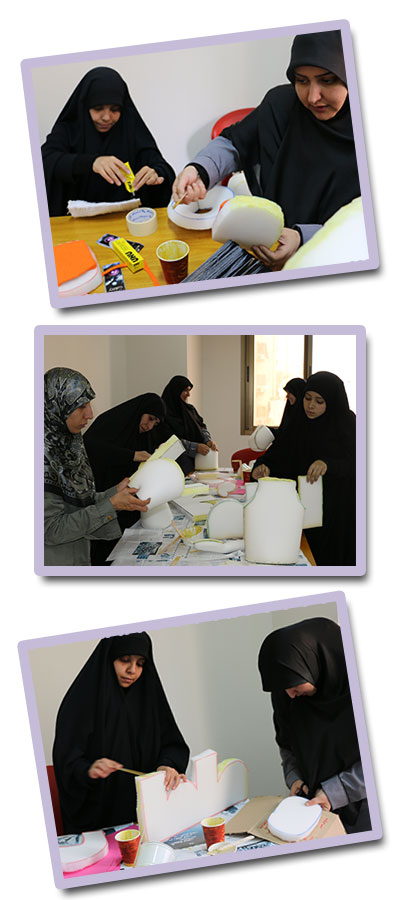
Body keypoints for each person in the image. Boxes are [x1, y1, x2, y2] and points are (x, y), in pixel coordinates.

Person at [172, 31, 360, 270]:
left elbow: (367, 225)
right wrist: (198, 170)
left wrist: (303, 237)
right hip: (268, 245)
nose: (313, 97)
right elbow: (234, 143)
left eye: (328, 80)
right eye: (302, 80)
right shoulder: (281, 105)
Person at [53, 632, 190, 834]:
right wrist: (89, 770)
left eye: (140, 663)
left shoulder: (149, 698)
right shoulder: (81, 701)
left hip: (149, 817)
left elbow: (172, 744)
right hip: (99, 822)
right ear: (108, 658)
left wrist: (166, 765)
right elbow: (66, 761)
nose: (132, 670)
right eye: (124, 660)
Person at [258, 618, 371, 835]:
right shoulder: (287, 695)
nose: (290, 694)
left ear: (313, 662)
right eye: (281, 687)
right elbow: (286, 743)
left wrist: (336, 791)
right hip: (314, 805)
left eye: (292, 683)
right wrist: (294, 776)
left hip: (366, 806)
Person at [44, 368, 150, 566]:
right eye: (81, 406)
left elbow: (80, 504)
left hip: (79, 557)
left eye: (89, 404)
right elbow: (51, 530)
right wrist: (111, 505)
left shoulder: (69, 445)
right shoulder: (41, 459)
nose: (90, 414)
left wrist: (114, 494)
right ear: (58, 406)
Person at [251, 372, 356, 565]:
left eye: (319, 401)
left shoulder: (346, 423)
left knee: (331, 561)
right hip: (301, 510)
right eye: (307, 398)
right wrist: (263, 466)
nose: (310, 406)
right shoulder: (299, 422)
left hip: (336, 512)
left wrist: (328, 464)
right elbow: (279, 453)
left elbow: (356, 462)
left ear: (332, 401)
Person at [42, 67, 175, 216]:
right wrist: (91, 162)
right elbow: (46, 160)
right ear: (85, 106)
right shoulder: (68, 129)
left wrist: (155, 174)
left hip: (126, 218)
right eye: (98, 108)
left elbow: (161, 167)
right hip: (75, 220)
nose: (107, 117)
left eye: (115, 109)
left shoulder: (131, 128)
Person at [83, 392, 166, 564]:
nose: (150, 426)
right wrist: (132, 455)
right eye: (150, 418)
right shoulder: (112, 421)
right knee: (104, 551)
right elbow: (90, 446)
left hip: (127, 502)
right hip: (102, 496)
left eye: (155, 423)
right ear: (141, 410)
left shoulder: (143, 435)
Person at [161, 376, 218, 472]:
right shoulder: (164, 413)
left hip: (196, 461)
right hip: (174, 464)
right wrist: (195, 447)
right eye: (185, 390)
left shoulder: (190, 410)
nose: (188, 394)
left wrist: (208, 440)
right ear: (176, 391)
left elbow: (201, 426)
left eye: (189, 390)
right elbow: (169, 440)